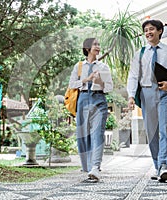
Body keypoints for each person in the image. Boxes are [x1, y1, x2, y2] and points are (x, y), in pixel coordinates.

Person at [127, 19, 167, 182]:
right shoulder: (139, 54)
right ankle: (157, 166)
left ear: (160, 31)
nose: (148, 33)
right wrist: (131, 96)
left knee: (165, 128)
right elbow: (133, 76)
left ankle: (165, 165)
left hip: (164, 93)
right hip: (146, 94)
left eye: (151, 29)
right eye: (145, 30)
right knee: (152, 132)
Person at [68, 38, 113, 183]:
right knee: (83, 134)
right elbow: (72, 84)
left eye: (99, 44)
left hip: (99, 99)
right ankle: (87, 166)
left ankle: (95, 167)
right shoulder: (79, 66)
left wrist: (99, 82)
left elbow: (109, 87)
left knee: (97, 134)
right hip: (83, 99)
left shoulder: (103, 66)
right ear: (87, 48)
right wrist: (87, 79)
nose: (98, 47)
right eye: (95, 44)